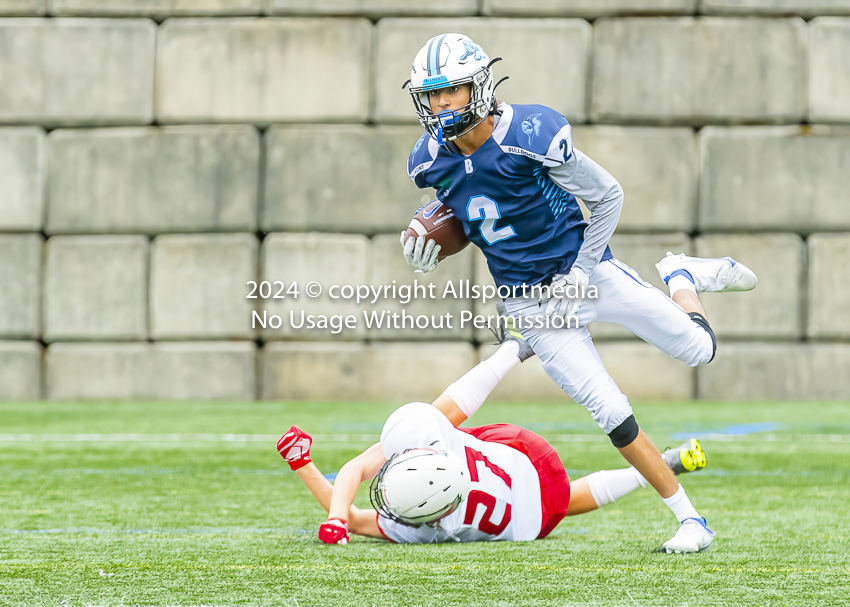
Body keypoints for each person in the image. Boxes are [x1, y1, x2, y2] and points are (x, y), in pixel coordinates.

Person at [397, 33, 757, 552]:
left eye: (450, 90)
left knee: (699, 350)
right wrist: (425, 243)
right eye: (431, 94)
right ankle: (691, 520)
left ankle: (682, 276)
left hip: (585, 271)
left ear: (477, 86)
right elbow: (465, 213)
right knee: (609, 411)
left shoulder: (529, 133)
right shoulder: (428, 159)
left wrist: (583, 270)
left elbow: (608, 196)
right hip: (530, 302)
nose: (440, 104)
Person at [278, 337, 708, 552]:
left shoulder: (421, 526)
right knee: (447, 416)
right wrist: (314, 483)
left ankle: (652, 469)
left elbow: (352, 518)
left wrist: (305, 469)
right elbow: (354, 474)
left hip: (531, 520)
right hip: (525, 456)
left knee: (566, 500)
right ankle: (513, 348)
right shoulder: (424, 438)